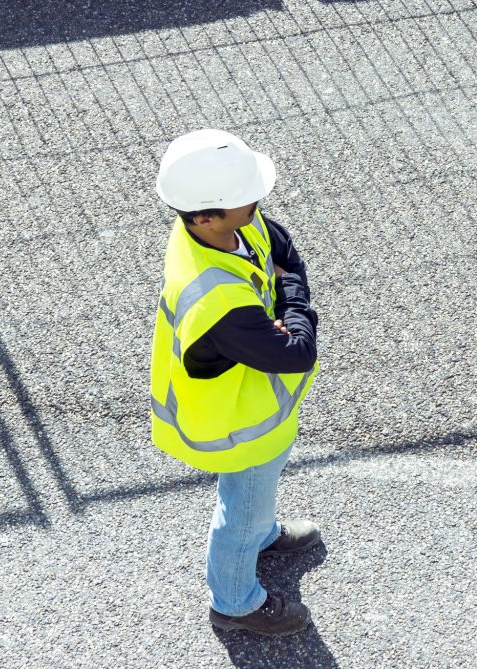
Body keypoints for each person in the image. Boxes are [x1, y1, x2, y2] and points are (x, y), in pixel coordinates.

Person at [150, 129, 320, 635]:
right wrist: (294, 294)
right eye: (248, 199)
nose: (258, 205)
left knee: (252, 501)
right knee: (240, 509)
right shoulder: (216, 301)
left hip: (253, 408)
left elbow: (281, 244)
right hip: (238, 425)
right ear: (206, 214)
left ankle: (262, 532)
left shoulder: (223, 228)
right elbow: (297, 351)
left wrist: (288, 287)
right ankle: (235, 603)